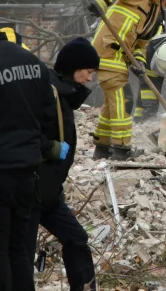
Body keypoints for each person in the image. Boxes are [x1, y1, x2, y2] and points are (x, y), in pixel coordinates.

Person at [31, 37, 98, 291]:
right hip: (30, 190)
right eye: (88, 71)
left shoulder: (63, 95)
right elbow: (24, 131)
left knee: (77, 238)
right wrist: (51, 149)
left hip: (48, 192)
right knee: (21, 253)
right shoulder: (47, 92)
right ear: (72, 68)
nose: (90, 78)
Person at [0, 29, 62, 289]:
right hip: (28, 172)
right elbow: (49, 116)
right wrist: (44, 147)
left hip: (2, 171)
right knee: (18, 248)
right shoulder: (33, 63)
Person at [88, 0, 166, 160]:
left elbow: (140, 46)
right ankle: (122, 148)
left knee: (112, 104)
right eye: (165, 2)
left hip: (117, 59)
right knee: (124, 100)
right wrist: (103, 0)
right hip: (108, 53)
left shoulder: (148, 17)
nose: (164, 7)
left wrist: (139, 62)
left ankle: (102, 147)